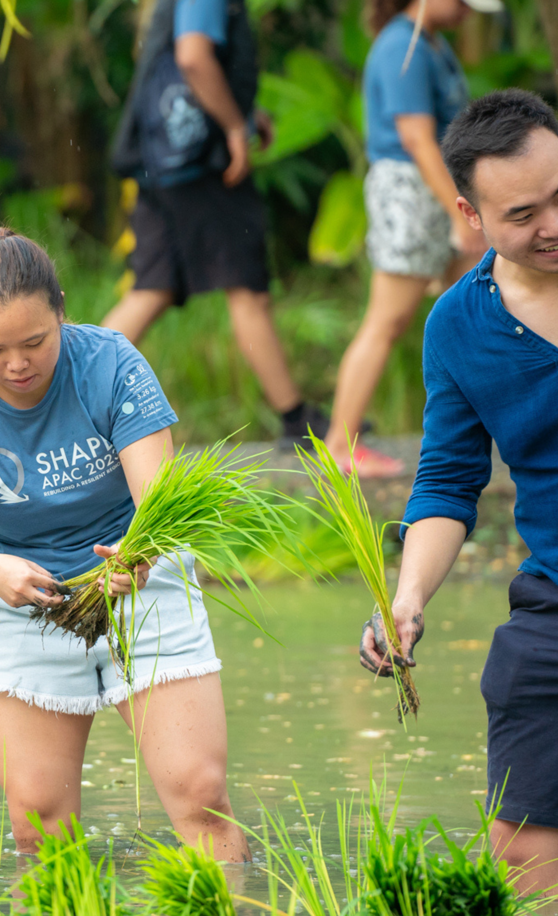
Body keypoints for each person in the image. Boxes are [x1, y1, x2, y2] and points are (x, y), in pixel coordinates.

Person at [0, 227, 248, 860]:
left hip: (137, 589)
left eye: (36, 342)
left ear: (61, 307)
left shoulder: (111, 362)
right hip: (24, 600)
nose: (17, 365)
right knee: (38, 819)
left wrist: (137, 556)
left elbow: (159, 501)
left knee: (198, 793)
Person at [359, 89, 558, 896]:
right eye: (524, 214)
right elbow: (447, 480)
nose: (552, 223)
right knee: (520, 852)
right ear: (470, 215)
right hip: (552, 598)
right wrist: (405, 598)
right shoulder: (457, 326)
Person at [102, 0, 321, 447]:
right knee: (248, 290)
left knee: (152, 289)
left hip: (160, 162)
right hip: (201, 167)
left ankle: (67, 399)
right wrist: (235, 125)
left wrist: (245, 109)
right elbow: (193, 57)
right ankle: (296, 418)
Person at [323, 0, 496, 477]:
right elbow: (418, 138)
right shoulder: (403, 46)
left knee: (475, 309)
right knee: (388, 319)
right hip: (413, 192)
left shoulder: (432, 45)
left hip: (439, 190)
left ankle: (489, 430)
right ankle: (340, 444)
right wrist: (459, 216)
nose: (467, 11)